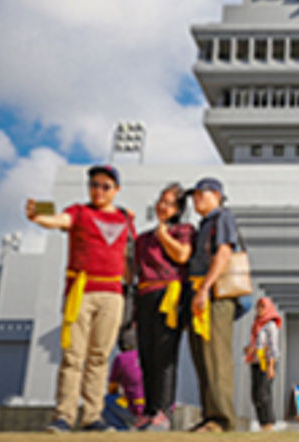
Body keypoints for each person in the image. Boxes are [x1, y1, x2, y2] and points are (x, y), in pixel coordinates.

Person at [27, 164, 135, 433]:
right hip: (81, 292)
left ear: (116, 190)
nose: (99, 190)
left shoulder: (125, 218)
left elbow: (127, 256)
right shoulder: (79, 211)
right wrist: (38, 218)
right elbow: (59, 220)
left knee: (99, 357)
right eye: (94, 185)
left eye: (105, 186)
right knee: (74, 356)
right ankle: (63, 415)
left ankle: (92, 417)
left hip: (113, 294)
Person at [135, 183, 194, 431]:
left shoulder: (183, 230)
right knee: (146, 355)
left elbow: (182, 256)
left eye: (169, 202)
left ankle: (163, 409)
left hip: (168, 295)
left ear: (178, 208)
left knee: (165, 355)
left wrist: (162, 232)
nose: (162, 206)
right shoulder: (143, 238)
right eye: (161, 200)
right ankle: (148, 410)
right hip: (144, 295)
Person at [186, 177, 239, 432]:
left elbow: (224, 252)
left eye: (201, 194)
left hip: (215, 294)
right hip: (201, 293)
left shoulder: (223, 217)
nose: (196, 199)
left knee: (216, 357)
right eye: (194, 195)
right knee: (202, 357)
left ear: (216, 195)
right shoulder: (203, 224)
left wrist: (205, 288)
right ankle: (210, 416)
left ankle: (222, 418)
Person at [245, 296, 282, 430]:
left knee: (263, 393)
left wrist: (271, 367)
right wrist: (248, 349)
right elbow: (255, 344)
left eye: (262, 307)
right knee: (254, 394)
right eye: (258, 306)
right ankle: (262, 423)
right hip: (255, 361)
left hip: (266, 362)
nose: (259, 309)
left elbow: (273, 347)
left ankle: (268, 422)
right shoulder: (256, 324)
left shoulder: (270, 326)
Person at [103, 327, 146, 430]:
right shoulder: (148, 355)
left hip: (133, 408)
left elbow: (112, 387)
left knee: (104, 402)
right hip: (152, 410)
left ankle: (122, 430)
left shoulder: (121, 359)